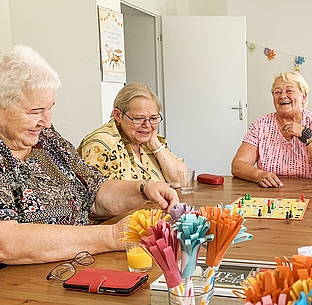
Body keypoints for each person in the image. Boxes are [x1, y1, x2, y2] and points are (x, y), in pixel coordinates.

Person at [0, 45, 179, 265]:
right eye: (36, 112)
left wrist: (144, 189)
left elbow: (95, 190)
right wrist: (112, 236)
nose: (46, 121)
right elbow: (5, 242)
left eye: (49, 109)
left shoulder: (47, 140)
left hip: (78, 264)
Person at [231, 72, 312, 187]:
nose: (282, 96)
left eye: (289, 91)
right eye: (277, 92)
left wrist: (306, 135)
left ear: (303, 96)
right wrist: (258, 175)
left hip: (311, 194)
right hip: (270, 195)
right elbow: (237, 165)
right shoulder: (260, 124)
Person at [78, 83, 187, 188]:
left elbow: (181, 181)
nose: (147, 125)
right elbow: (103, 198)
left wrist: (156, 145)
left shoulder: (149, 140)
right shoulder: (103, 146)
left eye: (153, 118)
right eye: (139, 119)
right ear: (118, 115)